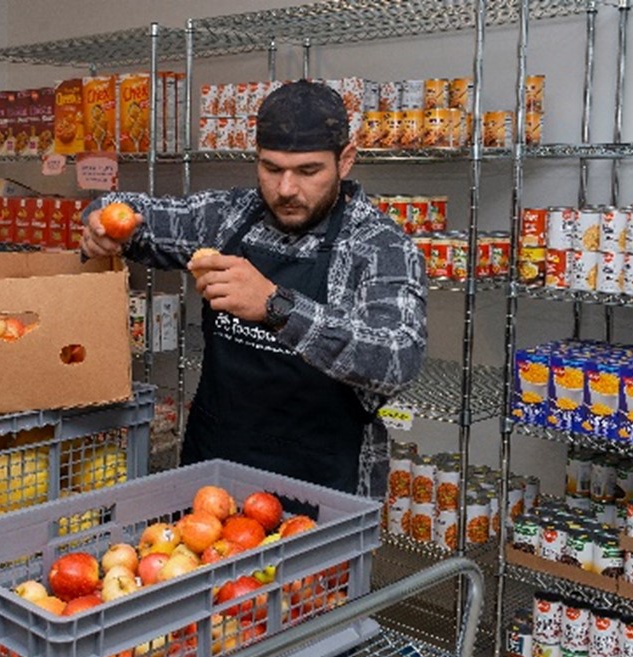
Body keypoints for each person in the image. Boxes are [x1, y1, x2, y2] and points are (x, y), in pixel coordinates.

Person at [81, 79, 427, 497]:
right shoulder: (230, 215)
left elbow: (396, 358)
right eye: (271, 168)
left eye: (308, 171)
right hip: (215, 471)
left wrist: (275, 305)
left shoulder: (378, 245)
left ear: (346, 160)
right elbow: (133, 214)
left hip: (320, 487)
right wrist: (102, 222)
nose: (286, 189)